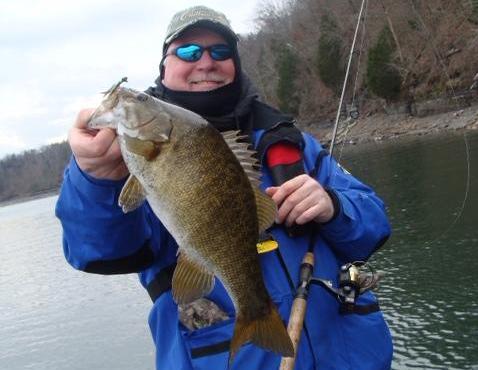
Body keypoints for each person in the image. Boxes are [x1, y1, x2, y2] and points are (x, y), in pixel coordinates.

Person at [56, 5, 393, 370]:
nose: (205, 62)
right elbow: (98, 251)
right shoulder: (125, 158)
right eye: (187, 51)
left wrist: (333, 206)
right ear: (164, 66)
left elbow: (373, 225)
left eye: (220, 52)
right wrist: (95, 178)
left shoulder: (291, 144)